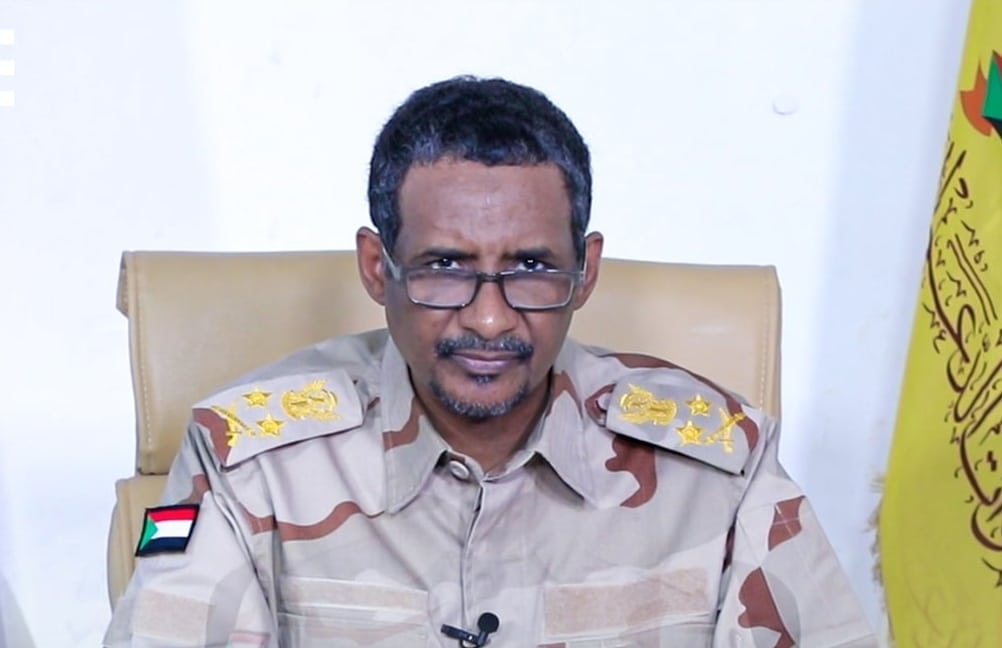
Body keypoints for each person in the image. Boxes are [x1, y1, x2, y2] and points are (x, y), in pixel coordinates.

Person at [104, 76, 876, 647]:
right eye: (444, 266)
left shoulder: (722, 463)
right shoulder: (245, 462)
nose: (489, 318)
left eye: (532, 268)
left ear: (586, 271)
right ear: (376, 268)